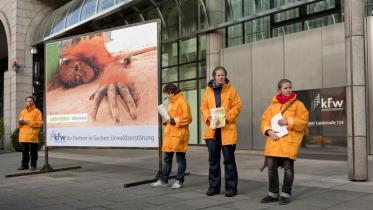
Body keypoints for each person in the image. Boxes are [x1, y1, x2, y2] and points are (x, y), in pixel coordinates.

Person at [260, 79, 309, 205]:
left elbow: (304, 121)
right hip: (274, 142)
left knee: (288, 169)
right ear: (279, 90)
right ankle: (273, 193)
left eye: (290, 87)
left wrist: (289, 121)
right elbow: (265, 120)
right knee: (271, 168)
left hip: (288, 142)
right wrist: (269, 131)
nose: (288, 90)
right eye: (285, 88)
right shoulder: (272, 106)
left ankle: (285, 195)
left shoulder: (298, 104)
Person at [201, 66, 242, 197]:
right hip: (212, 131)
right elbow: (203, 107)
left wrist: (227, 117)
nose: (221, 77)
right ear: (214, 76)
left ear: (225, 76)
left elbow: (238, 106)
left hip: (227, 130)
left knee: (229, 161)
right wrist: (208, 117)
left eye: (222, 75)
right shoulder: (207, 91)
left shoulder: (231, 90)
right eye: (218, 75)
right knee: (213, 161)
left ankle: (231, 187)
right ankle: (214, 187)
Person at [151, 83, 192, 189]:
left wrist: (175, 121)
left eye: (167, 94)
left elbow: (188, 118)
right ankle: (163, 180)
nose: (166, 96)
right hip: (170, 136)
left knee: (180, 160)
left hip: (180, 136)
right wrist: (165, 121)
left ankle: (179, 181)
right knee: (167, 160)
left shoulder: (182, 101)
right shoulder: (171, 103)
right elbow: (169, 118)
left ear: (171, 92)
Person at [17, 96, 43, 170]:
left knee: (33, 152)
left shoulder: (37, 111)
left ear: (33, 102)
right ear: (26, 102)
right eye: (28, 101)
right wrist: (20, 122)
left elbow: (40, 123)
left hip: (33, 135)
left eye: (31, 101)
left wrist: (28, 122)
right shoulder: (23, 111)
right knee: (24, 152)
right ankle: (24, 165)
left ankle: (33, 165)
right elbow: (20, 125)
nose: (29, 102)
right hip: (24, 135)